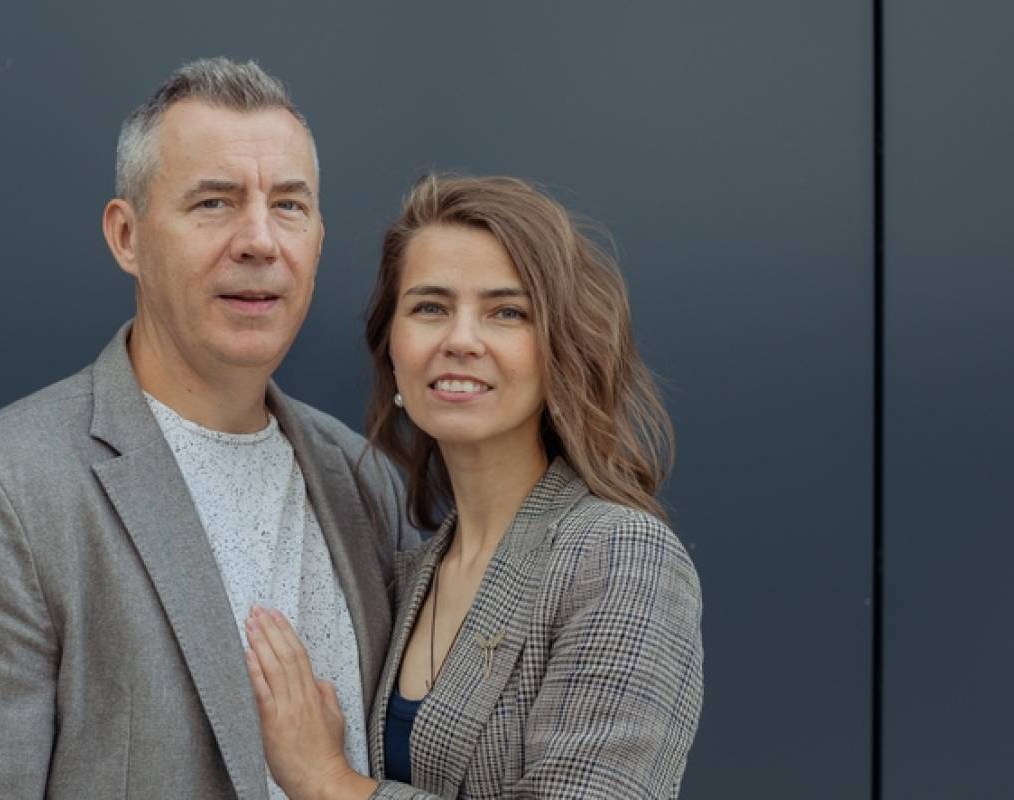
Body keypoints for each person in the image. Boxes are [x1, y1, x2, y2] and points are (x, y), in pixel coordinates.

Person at [0, 59, 415, 799]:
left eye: (288, 205)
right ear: (127, 236)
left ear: (317, 239)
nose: (260, 240)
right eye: (215, 203)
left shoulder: (364, 482)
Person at [244, 175, 704, 799]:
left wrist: (327, 782)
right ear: (394, 353)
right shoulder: (409, 573)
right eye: (430, 307)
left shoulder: (619, 556)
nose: (461, 340)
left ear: (560, 350)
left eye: (506, 312)